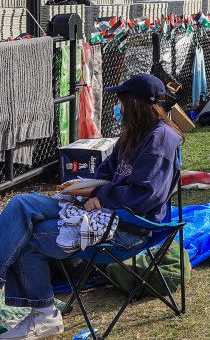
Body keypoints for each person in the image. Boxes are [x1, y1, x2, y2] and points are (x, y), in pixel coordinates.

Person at [0, 73, 182, 339]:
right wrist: (82, 188)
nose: (117, 108)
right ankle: (34, 307)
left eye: (121, 101)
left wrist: (100, 194)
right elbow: (106, 174)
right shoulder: (133, 134)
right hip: (102, 211)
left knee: (27, 237)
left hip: (129, 229)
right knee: (21, 203)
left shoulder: (160, 138)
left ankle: (45, 317)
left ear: (136, 104)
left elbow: (146, 196)